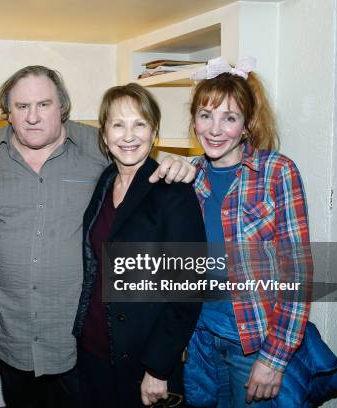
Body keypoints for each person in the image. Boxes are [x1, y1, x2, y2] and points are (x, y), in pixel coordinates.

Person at [0, 65, 197, 407]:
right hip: (15, 339)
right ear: (7, 113)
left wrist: (179, 165)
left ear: (62, 107)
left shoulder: (95, 148)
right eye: (21, 106)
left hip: (77, 346)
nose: (33, 116)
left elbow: (136, 156)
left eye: (44, 104)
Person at [183, 57, 337, 407]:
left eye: (229, 117)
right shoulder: (189, 176)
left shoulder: (277, 172)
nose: (214, 128)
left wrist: (274, 358)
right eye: (205, 115)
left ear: (247, 124)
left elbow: (296, 272)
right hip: (200, 342)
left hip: (254, 343)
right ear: (194, 120)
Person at [71, 83, 204, 407]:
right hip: (94, 348)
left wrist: (158, 368)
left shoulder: (173, 191)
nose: (128, 136)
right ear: (104, 135)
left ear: (154, 132)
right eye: (118, 124)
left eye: (139, 124)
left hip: (145, 359)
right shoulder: (105, 181)